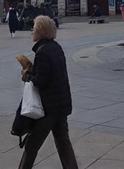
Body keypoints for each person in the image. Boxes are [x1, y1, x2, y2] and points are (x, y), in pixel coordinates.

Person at [18, 15, 79, 169]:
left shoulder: (42, 52)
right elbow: (52, 75)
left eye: (34, 28)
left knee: (31, 146)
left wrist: (27, 74)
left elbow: (42, 81)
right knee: (63, 143)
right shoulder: (56, 47)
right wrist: (34, 70)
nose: (32, 31)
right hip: (61, 105)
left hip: (49, 108)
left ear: (41, 31)